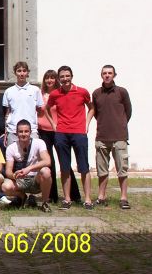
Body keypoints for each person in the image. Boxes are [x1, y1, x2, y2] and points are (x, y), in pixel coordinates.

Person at [45, 65, 94, 210]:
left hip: (79, 133)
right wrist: (54, 125)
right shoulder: (55, 94)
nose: (65, 79)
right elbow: (47, 109)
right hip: (61, 133)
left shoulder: (82, 92)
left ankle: (87, 199)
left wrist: (87, 124)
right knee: (64, 167)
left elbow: (91, 108)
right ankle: (67, 199)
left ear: (72, 76)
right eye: (62, 77)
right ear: (59, 79)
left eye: (67, 76)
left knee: (84, 167)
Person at [86, 65, 133, 209]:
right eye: (104, 73)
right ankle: (101, 196)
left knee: (122, 169)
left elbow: (128, 111)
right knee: (102, 170)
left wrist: (121, 125)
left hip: (119, 137)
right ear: (101, 75)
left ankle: (124, 198)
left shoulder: (122, 92)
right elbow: (95, 113)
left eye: (110, 73)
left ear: (114, 75)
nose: (107, 75)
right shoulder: (96, 93)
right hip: (102, 137)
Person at [37, 69, 81, 204]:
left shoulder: (60, 94)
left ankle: (74, 195)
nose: (49, 80)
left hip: (58, 130)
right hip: (43, 130)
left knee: (64, 161)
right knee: (49, 162)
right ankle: (51, 195)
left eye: (52, 78)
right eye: (47, 78)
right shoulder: (40, 94)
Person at [2, 120, 52, 212]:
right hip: (21, 179)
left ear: (30, 132)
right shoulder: (11, 148)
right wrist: (14, 175)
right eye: (20, 132)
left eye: (26, 131)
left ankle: (45, 203)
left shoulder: (39, 143)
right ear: (16, 133)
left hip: (36, 179)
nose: (23, 134)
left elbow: (47, 161)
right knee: (5, 186)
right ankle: (22, 196)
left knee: (46, 171)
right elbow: (8, 171)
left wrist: (29, 168)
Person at [2, 61, 44, 145]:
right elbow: (7, 113)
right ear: (15, 73)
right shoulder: (8, 91)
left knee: (33, 157)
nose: (22, 73)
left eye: (24, 71)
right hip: (13, 131)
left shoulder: (35, 90)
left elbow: (39, 110)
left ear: (27, 72)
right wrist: (6, 131)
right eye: (19, 71)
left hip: (31, 130)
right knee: (13, 157)